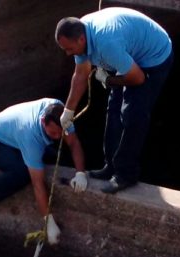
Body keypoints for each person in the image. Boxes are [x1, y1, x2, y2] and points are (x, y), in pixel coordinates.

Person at [55, 7, 173, 193]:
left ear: (82, 39)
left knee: (133, 115)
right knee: (113, 110)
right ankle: (111, 165)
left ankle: (126, 174)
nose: (68, 54)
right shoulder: (80, 33)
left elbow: (138, 78)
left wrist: (108, 79)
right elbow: (80, 75)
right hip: (126, 52)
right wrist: (68, 111)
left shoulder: (106, 43)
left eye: (69, 49)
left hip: (154, 57)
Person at [0, 98, 88, 245]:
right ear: (43, 121)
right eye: (53, 133)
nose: (58, 137)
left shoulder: (62, 113)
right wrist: (48, 221)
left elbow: (73, 143)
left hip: (14, 136)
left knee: (54, 155)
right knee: (24, 172)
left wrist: (80, 173)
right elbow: (37, 184)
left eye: (61, 133)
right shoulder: (31, 136)